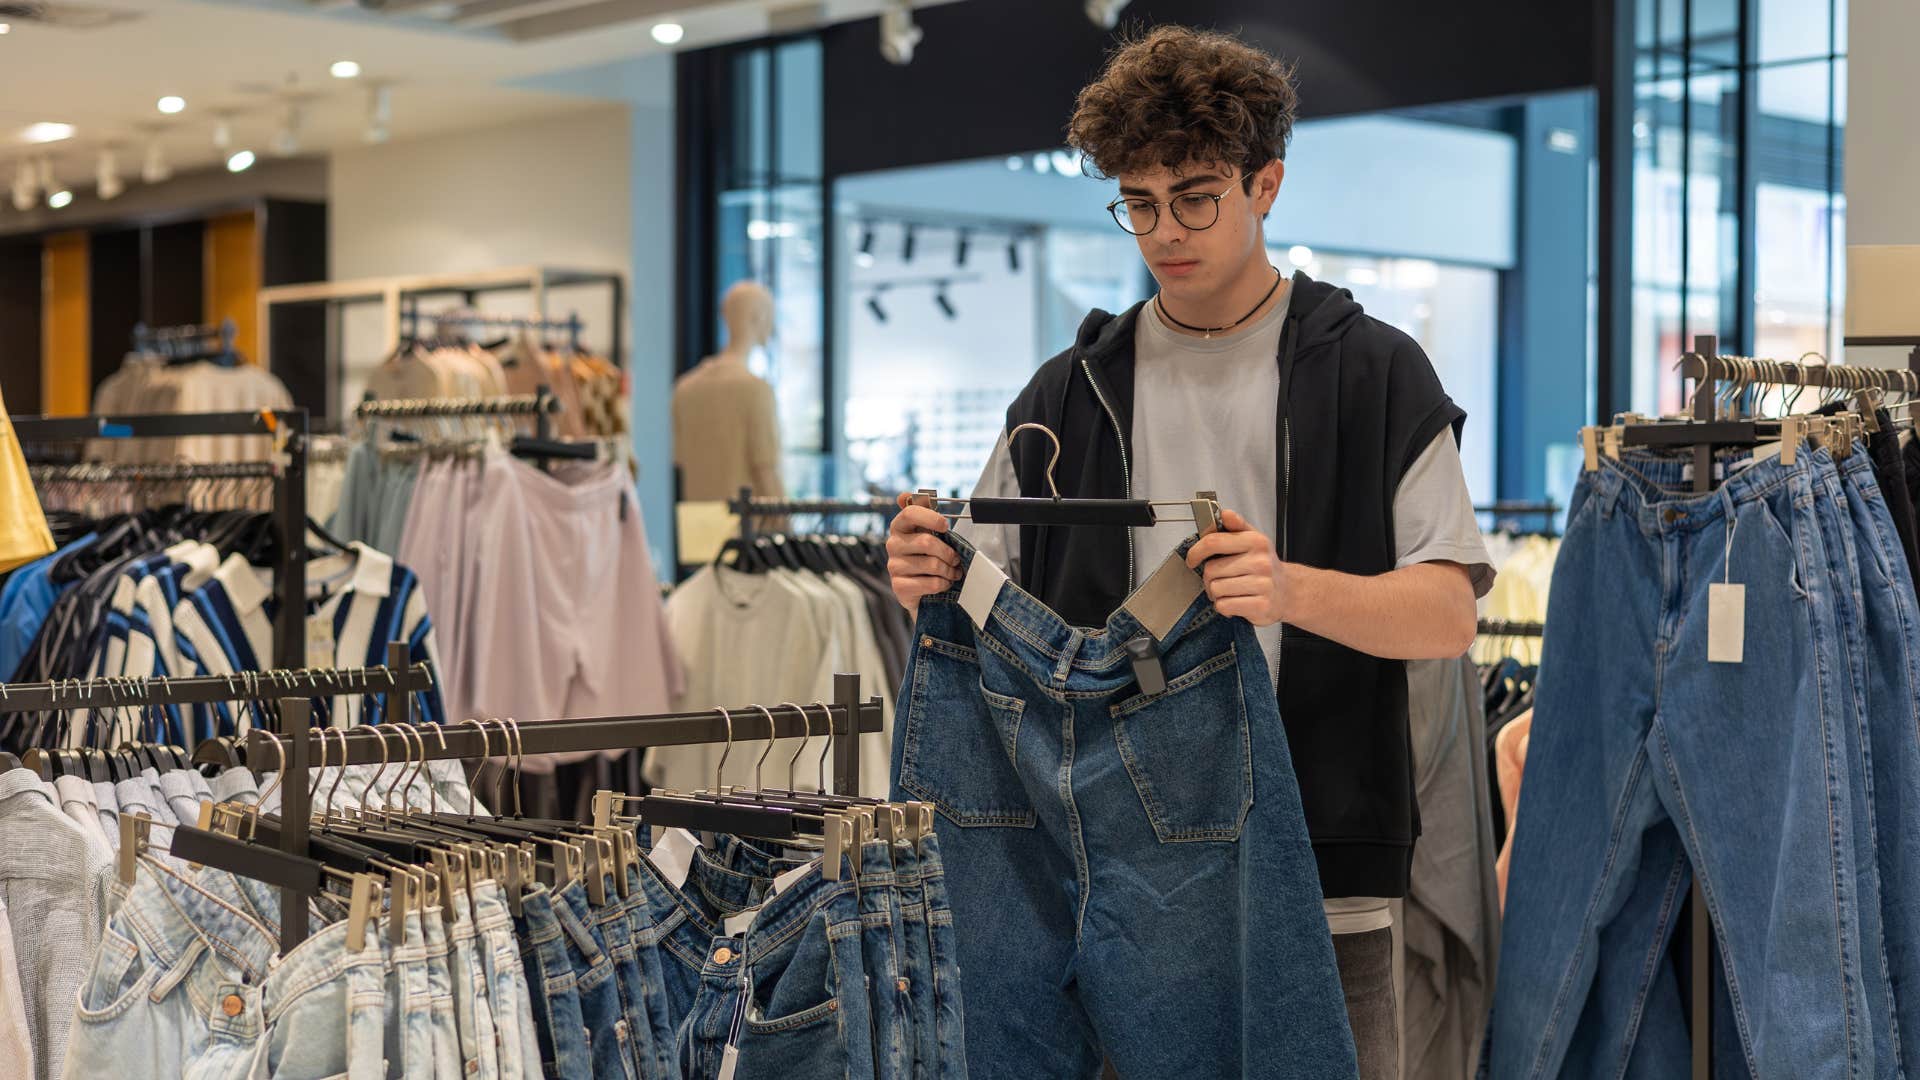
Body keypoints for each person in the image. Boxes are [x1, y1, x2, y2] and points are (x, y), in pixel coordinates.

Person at [884, 24, 1494, 1080]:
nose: (1166, 231)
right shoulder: (1066, 394)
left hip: (1321, 852)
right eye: (1140, 202)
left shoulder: (1377, 375)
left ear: (1267, 186)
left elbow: (1446, 610)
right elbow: (986, 612)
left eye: (1196, 196)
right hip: (1119, 874)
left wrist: (1288, 590)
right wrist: (919, 575)